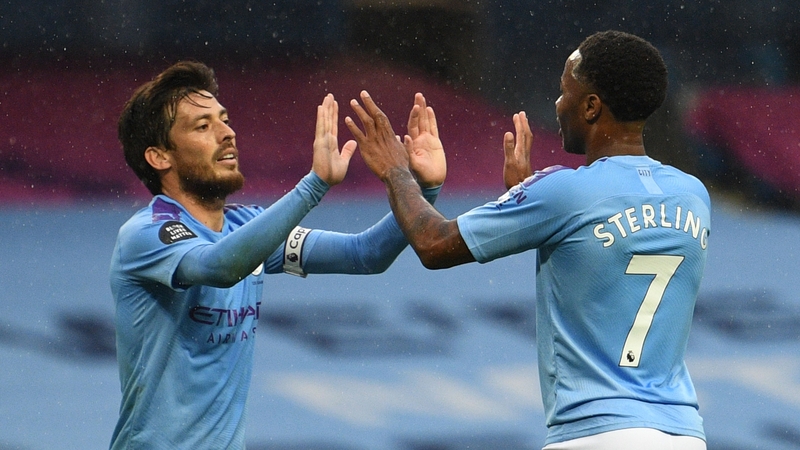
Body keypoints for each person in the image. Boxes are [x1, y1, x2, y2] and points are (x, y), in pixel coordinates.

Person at [345, 30, 709, 450]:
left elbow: (433, 243)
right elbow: (609, 261)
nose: (557, 105)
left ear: (591, 106)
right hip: (683, 433)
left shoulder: (563, 191)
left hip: (595, 433)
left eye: (564, 91)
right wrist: (531, 207)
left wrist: (396, 171)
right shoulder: (693, 194)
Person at [109, 61, 445, 449]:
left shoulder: (244, 227)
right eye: (203, 127)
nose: (228, 133)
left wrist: (422, 188)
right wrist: (314, 185)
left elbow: (365, 254)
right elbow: (219, 266)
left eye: (224, 120)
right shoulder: (148, 233)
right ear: (159, 157)